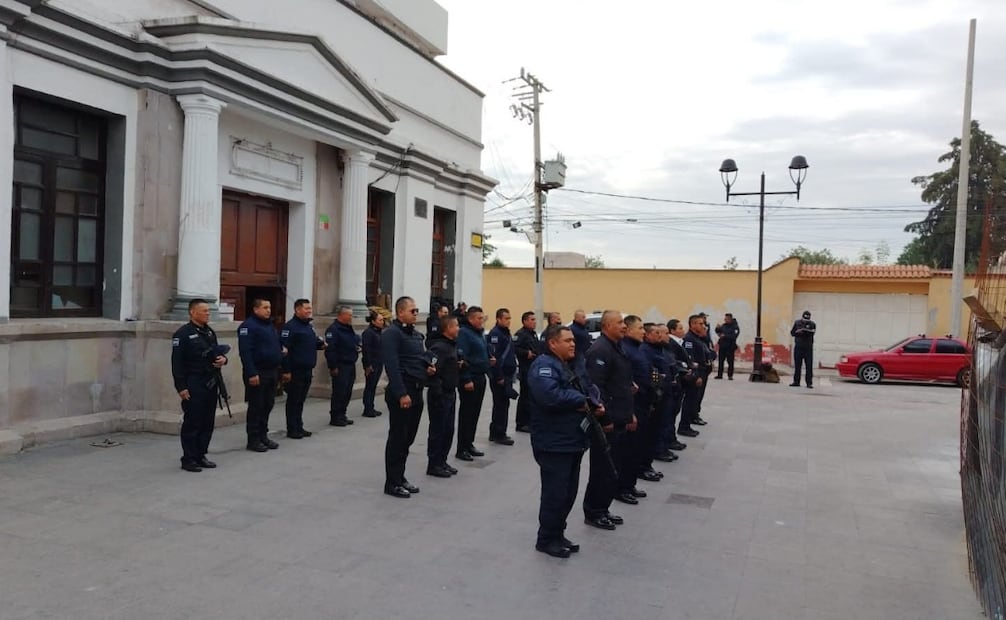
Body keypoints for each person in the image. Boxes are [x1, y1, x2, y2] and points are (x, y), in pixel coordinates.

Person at [528, 325, 597, 558]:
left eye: (573, 341)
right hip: (553, 442)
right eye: (567, 340)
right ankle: (546, 539)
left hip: (571, 440)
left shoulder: (567, 364)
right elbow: (549, 396)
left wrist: (590, 399)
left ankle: (558, 533)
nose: (572, 344)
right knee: (555, 493)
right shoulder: (544, 366)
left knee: (568, 492)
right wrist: (579, 399)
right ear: (552, 343)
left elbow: (587, 386)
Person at [583, 310, 634, 530]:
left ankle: (603, 507)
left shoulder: (616, 346)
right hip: (608, 420)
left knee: (613, 467)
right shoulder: (600, 350)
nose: (624, 326)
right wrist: (605, 420)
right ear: (606, 326)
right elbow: (597, 389)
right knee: (602, 468)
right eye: (620, 322)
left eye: (624, 322)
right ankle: (594, 511)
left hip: (620, 415)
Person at [381, 296, 435, 498]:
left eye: (416, 310)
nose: (416, 314)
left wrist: (427, 367)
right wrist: (401, 393)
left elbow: (418, 358)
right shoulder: (391, 334)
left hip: (417, 390)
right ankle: (392, 482)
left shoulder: (415, 335)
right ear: (400, 312)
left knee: (408, 438)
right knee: (398, 437)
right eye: (412, 311)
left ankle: (400, 477)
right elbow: (392, 366)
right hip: (402, 393)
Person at [171, 298, 228, 472]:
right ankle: (188, 458)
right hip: (193, 382)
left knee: (207, 421)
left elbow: (216, 353)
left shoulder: (209, 332)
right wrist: (181, 387)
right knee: (193, 421)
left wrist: (223, 360)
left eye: (208, 311)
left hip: (210, 381)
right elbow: (176, 363)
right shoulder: (182, 334)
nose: (207, 314)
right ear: (192, 312)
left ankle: (200, 454)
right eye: (204, 311)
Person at [238, 298, 284, 453]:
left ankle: (263, 435)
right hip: (257, 372)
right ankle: (253, 439)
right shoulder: (248, 326)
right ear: (256, 309)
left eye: (269, 307)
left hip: (271, 371)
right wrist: (251, 373)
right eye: (265, 307)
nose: (269, 310)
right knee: (256, 407)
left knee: (268, 405)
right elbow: (246, 352)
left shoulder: (269, 325)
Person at [619, 315, 657, 504]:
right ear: (629, 329)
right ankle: (623, 487)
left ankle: (630, 484)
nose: (644, 331)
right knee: (628, 451)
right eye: (640, 328)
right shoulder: (625, 350)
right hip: (633, 406)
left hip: (644, 404)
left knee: (637, 448)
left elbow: (648, 373)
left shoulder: (638, 348)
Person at [280, 298, 326, 439]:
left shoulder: (308, 326)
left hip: (307, 370)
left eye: (310, 309)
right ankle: (292, 429)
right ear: (297, 310)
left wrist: (321, 345)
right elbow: (284, 350)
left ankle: (299, 426)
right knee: (293, 400)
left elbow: (311, 343)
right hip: (295, 371)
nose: (309, 311)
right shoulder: (290, 327)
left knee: (300, 400)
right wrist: (286, 370)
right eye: (306, 309)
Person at [426, 314, 460, 478]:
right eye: (456, 326)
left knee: (448, 430)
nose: (458, 329)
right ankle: (433, 464)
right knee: (438, 430)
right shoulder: (439, 347)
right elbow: (432, 373)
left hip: (450, 392)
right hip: (440, 395)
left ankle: (442, 460)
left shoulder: (451, 346)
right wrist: (438, 392)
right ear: (448, 329)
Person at [456, 305, 492, 461]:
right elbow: (461, 357)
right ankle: (461, 448)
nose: (482, 320)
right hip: (470, 378)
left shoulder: (479, 333)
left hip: (480, 376)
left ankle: (469, 443)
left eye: (482, 318)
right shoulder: (464, 333)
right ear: (470, 319)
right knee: (467, 413)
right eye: (479, 318)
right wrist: (466, 379)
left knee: (475, 412)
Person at [324, 305, 360, 427]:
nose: (351, 317)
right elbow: (330, 349)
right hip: (340, 364)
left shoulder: (348, 328)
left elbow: (352, 341)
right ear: (341, 315)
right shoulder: (333, 329)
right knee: (339, 392)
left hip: (350, 363)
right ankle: (335, 416)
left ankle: (342, 414)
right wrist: (332, 366)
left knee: (347, 391)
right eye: (349, 315)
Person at [487, 307, 517, 445]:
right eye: (506, 318)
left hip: (508, 375)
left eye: (510, 318)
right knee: (500, 405)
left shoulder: (506, 333)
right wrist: (499, 377)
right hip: (500, 376)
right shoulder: (495, 334)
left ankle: (497, 432)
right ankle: (499, 433)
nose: (509, 321)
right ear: (498, 319)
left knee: (503, 404)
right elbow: (495, 358)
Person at [679, 315, 711, 437]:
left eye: (703, 324)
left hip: (703, 372)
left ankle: (693, 417)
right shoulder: (689, 340)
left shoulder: (700, 338)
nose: (703, 326)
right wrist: (696, 375)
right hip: (696, 373)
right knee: (690, 399)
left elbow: (709, 351)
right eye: (700, 324)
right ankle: (684, 426)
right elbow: (690, 359)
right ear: (692, 325)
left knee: (697, 398)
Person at [513, 311, 540, 433]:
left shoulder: (533, 334)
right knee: (525, 397)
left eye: (535, 319)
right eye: (532, 320)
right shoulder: (521, 334)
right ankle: (521, 423)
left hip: (533, 369)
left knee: (531, 396)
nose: (534, 322)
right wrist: (526, 353)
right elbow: (515, 348)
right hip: (525, 369)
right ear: (525, 321)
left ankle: (529, 421)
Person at [361, 311, 385, 418]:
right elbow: (366, 350)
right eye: (380, 320)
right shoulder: (368, 333)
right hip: (372, 363)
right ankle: (368, 408)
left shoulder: (379, 332)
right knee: (370, 386)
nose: (382, 322)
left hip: (379, 362)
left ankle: (371, 407)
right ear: (373, 321)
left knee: (373, 386)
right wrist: (368, 364)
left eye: (382, 320)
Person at [790, 310, 817, 388]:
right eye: (804, 320)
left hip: (808, 348)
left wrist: (807, 332)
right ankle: (796, 381)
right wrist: (797, 332)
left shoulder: (812, 324)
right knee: (797, 365)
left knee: (809, 366)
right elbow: (792, 333)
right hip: (798, 347)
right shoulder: (797, 323)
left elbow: (813, 333)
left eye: (807, 320)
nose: (806, 322)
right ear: (802, 318)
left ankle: (809, 383)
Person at [714, 313, 740, 380]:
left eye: (727, 319)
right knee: (720, 361)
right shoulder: (724, 325)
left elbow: (734, 336)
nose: (725, 320)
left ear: (730, 319)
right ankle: (720, 375)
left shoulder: (735, 327)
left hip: (730, 346)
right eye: (725, 319)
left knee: (730, 361)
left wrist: (725, 336)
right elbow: (719, 332)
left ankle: (730, 375)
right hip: (722, 346)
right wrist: (717, 328)